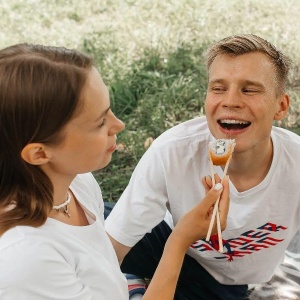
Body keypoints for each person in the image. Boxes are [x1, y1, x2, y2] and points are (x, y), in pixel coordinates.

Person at [0, 43, 230, 300]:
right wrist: (180, 240)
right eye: (100, 122)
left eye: (109, 110)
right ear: (40, 153)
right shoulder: (27, 259)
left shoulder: (77, 183)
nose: (118, 124)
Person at [105, 34, 300, 300]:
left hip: (225, 282)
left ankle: (139, 283)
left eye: (249, 89)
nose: (230, 101)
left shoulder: (296, 164)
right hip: (170, 242)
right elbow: (112, 245)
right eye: (218, 88)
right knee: (88, 222)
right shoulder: (172, 151)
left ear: (281, 106)